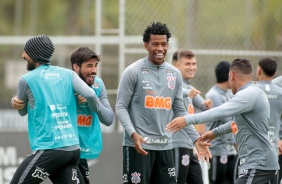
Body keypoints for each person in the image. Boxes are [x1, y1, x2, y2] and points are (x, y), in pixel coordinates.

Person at [115, 22, 211, 184]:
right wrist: (133, 133)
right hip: (138, 147)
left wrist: (196, 140)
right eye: (155, 44)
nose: (160, 48)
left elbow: (181, 112)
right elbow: (121, 106)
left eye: (164, 44)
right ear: (146, 45)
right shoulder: (133, 72)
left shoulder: (174, 74)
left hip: (165, 147)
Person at [166, 58, 279, 184]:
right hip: (263, 163)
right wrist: (215, 132)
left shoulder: (248, 94)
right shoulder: (253, 92)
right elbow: (237, 123)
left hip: (258, 164)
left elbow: (220, 111)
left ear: (231, 75)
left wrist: (186, 120)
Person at [12, 46, 115, 184]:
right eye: (89, 66)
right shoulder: (63, 82)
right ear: (76, 67)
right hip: (66, 146)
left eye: (95, 66)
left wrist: (92, 102)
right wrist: (18, 100)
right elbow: (40, 95)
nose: (94, 71)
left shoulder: (98, 85)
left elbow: (108, 119)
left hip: (79, 150)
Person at [172, 49, 213, 184]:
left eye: (194, 64)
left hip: (189, 145)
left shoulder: (190, 88)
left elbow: (202, 105)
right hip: (176, 144)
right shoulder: (173, 84)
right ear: (177, 65)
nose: (192, 67)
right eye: (188, 64)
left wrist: (206, 104)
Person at [205, 61, 237, 184]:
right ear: (229, 76)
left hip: (231, 150)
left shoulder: (229, 93)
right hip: (218, 151)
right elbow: (229, 120)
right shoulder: (213, 95)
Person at [255, 57, 282, 184]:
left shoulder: (252, 90)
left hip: (259, 151)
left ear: (259, 71)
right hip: (272, 149)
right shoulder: (279, 89)